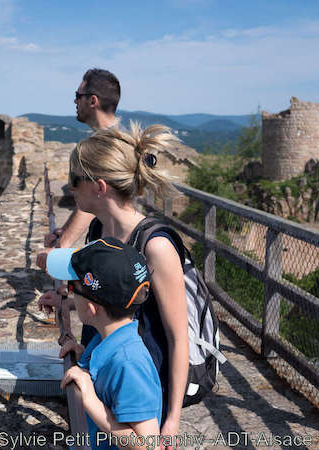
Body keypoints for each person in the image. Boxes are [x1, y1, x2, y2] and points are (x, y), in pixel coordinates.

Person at [39, 124, 188, 448]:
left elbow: (178, 337)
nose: (70, 188)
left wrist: (173, 419)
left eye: (75, 179)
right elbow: (101, 293)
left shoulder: (156, 247)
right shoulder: (98, 229)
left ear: (99, 187)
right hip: (104, 372)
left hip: (138, 393)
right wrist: (67, 302)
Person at [47, 237, 161, 450]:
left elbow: (148, 446)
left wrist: (90, 400)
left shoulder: (128, 362)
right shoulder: (108, 338)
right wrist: (83, 357)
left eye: (72, 286)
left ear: (92, 308)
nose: (68, 292)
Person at [35, 68, 120, 271]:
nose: (75, 102)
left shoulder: (108, 146)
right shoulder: (113, 139)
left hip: (114, 247)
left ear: (92, 101)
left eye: (77, 96)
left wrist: (60, 247)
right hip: (109, 241)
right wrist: (62, 232)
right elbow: (88, 200)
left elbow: (98, 197)